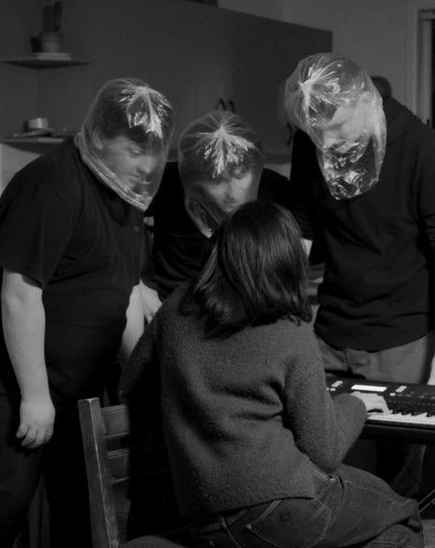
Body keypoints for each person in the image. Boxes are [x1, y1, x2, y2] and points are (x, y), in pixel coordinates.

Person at [120, 201, 423, 548]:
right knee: (405, 514)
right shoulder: (289, 331)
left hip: (199, 515)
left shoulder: (177, 306)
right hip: (278, 506)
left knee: (389, 529)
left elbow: (132, 384)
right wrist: (356, 404)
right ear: (287, 261)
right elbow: (324, 452)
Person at [0, 77, 174, 548]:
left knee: (79, 507)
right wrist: (35, 397)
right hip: (8, 376)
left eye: (153, 152)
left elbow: (124, 295)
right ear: (102, 138)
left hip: (77, 382)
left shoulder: (126, 195)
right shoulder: (52, 185)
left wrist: (143, 382)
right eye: (135, 151)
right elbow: (20, 294)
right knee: (5, 504)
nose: (146, 164)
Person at [284, 52, 435, 498]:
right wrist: (280, 309)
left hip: (401, 337)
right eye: (317, 133)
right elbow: (301, 229)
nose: (327, 143)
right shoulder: (311, 141)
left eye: (337, 129)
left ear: (365, 101)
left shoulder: (420, 147)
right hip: (331, 328)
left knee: (395, 488)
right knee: (320, 472)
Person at [141, 110, 294, 316]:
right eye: (217, 180)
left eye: (240, 175)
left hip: (243, 310)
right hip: (172, 304)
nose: (232, 192)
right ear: (193, 179)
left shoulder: (274, 190)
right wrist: (138, 286)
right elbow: (119, 217)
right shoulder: (168, 181)